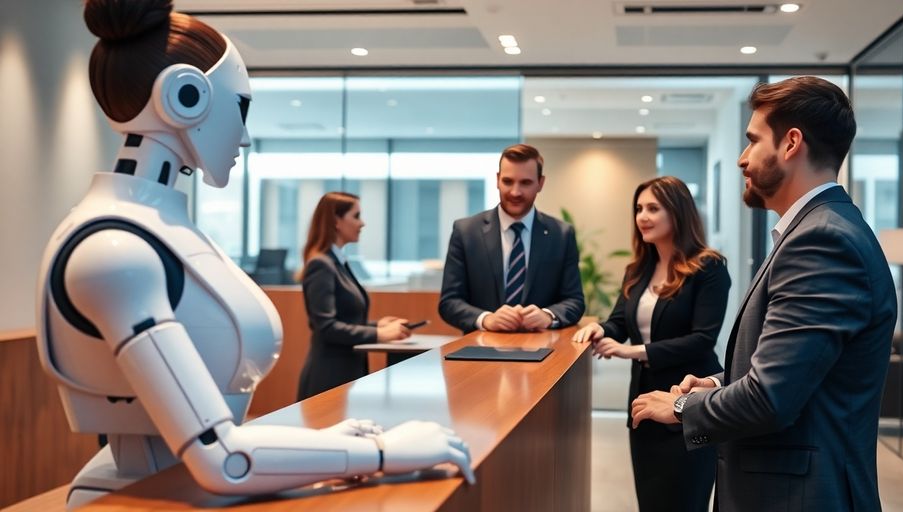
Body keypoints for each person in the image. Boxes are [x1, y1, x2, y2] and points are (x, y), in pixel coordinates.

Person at [35, 1, 472, 507]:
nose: (243, 135)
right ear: (185, 96)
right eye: (240, 108)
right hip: (142, 495)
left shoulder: (156, 233)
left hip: (174, 487)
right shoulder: (116, 252)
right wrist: (383, 452)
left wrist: (330, 443)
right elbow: (223, 457)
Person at [630, 76, 897, 511]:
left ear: (791, 144)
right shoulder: (814, 232)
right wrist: (720, 382)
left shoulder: (822, 241)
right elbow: (797, 372)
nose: (742, 158)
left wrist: (682, 407)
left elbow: (771, 399)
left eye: (753, 141)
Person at [573, 176, 730, 512]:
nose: (642, 216)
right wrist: (598, 329)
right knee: (651, 501)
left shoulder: (709, 267)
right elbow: (618, 323)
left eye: (653, 208)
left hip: (685, 404)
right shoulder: (638, 270)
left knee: (685, 501)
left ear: (678, 212)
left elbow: (703, 339)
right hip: (643, 407)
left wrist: (633, 351)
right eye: (639, 208)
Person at [439, 143, 584, 333]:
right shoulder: (466, 232)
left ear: (540, 183)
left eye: (525, 183)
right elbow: (449, 302)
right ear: (497, 180)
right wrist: (486, 319)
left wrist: (548, 315)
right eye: (508, 181)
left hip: (544, 353)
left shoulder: (562, 235)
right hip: (480, 352)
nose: (515, 192)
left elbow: (575, 300)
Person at [296, 192, 411, 400]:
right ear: (336, 221)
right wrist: (379, 335)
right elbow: (327, 327)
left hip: (347, 374)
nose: (362, 223)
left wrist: (377, 326)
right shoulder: (321, 265)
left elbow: (346, 320)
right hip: (329, 378)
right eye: (356, 216)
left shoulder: (339, 262)